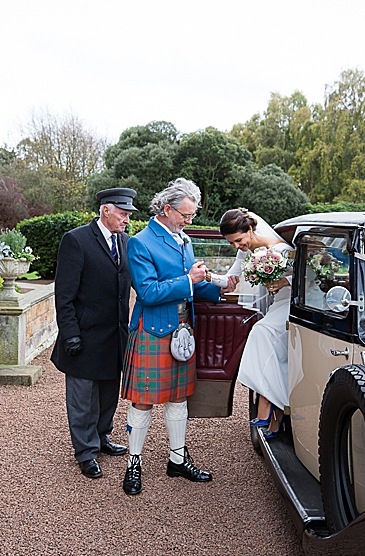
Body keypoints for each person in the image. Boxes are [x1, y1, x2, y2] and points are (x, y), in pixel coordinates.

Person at [121, 177, 228, 495]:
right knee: (143, 402)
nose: (189, 220)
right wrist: (188, 279)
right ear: (167, 209)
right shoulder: (141, 242)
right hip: (152, 330)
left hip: (182, 330)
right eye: (186, 214)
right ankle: (133, 465)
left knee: (179, 397)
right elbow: (148, 292)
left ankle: (177, 460)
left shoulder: (184, 239)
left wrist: (223, 286)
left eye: (191, 216)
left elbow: (192, 285)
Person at [51, 188, 137, 479]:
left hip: (115, 337)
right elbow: (64, 295)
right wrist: (70, 333)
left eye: (128, 215)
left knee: (108, 394)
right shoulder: (76, 240)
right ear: (106, 210)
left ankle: (101, 437)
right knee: (82, 399)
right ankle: (85, 452)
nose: (127, 219)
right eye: (123, 214)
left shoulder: (126, 242)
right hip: (84, 337)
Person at [219, 208, 294, 438]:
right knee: (264, 340)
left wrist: (284, 281)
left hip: (293, 303)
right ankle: (273, 408)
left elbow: (307, 278)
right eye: (232, 244)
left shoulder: (283, 249)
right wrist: (207, 279)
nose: (237, 247)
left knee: (261, 331)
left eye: (239, 241)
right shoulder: (245, 251)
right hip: (276, 305)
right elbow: (230, 278)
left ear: (250, 229)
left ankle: (269, 405)